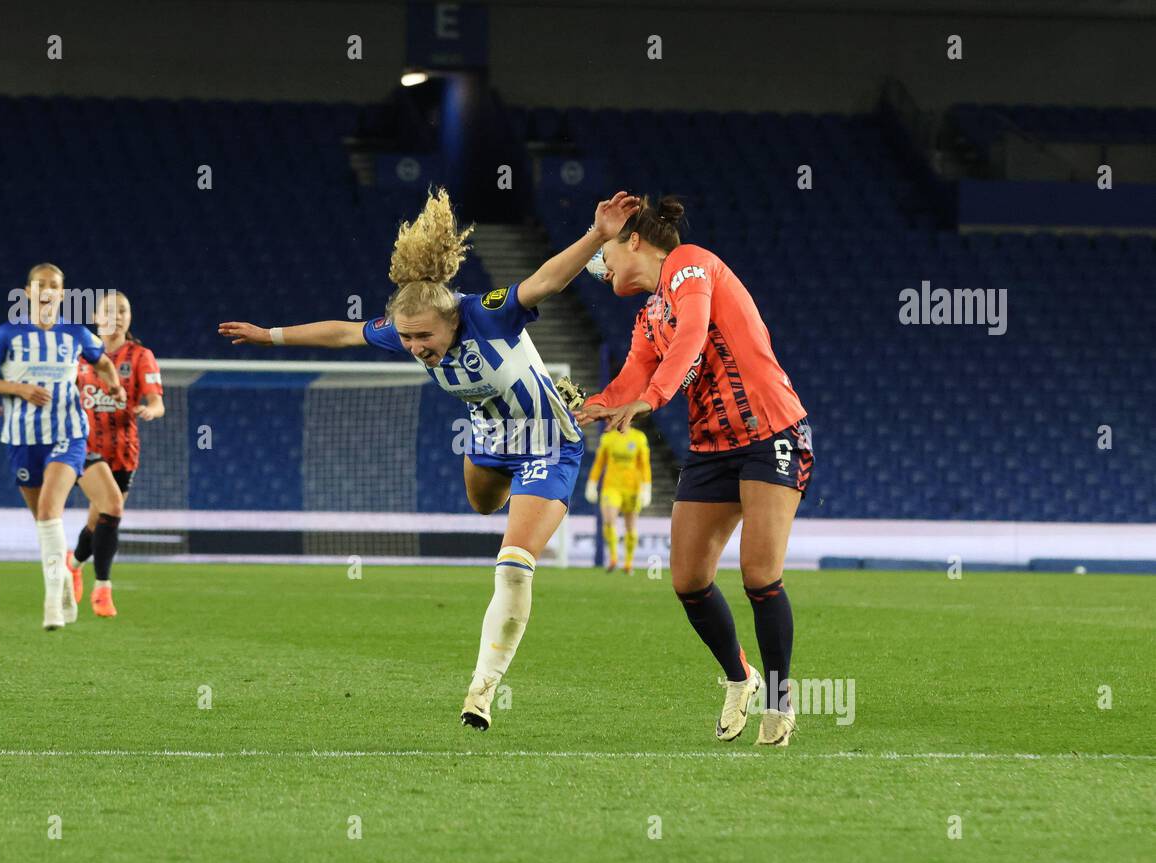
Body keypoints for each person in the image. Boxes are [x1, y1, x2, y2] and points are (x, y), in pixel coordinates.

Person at [219, 187, 638, 730]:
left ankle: (481, 692)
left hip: (547, 444)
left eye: (423, 337)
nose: (415, 347)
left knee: (512, 566)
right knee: (484, 508)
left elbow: (547, 281)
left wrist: (598, 236)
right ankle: (521, 493)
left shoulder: (488, 314)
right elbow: (344, 333)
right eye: (408, 338)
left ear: (451, 322)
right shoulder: (406, 332)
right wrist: (269, 335)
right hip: (488, 441)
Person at [578, 196, 813, 747]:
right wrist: (589, 404)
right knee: (687, 581)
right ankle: (741, 679)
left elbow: (691, 335)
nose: (600, 265)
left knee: (759, 574)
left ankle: (780, 702)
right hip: (713, 448)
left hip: (771, 433)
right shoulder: (647, 315)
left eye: (605, 251)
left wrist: (653, 398)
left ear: (634, 238)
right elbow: (629, 378)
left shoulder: (690, 263)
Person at [0, 263, 127, 630]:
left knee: (48, 509)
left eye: (54, 286)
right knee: (44, 519)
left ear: (61, 294)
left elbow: (103, 363)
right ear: (28, 292)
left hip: (68, 433)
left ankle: (52, 604)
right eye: (41, 284)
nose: (47, 290)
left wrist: (114, 385)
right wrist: (19, 389)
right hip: (23, 440)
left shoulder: (74, 333)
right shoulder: (6, 334)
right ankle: (65, 589)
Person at [69, 291, 165, 617]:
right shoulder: (79, 355)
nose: (117, 316)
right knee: (113, 507)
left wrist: (151, 409)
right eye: (109, 310)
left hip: (124, 451)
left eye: (123, 310)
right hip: (84, 447)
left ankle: (74, 563)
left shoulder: (140, 356)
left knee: (101, 517)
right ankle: (103, 590)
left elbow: (156, 400)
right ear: (96, 317)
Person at [584, 424, 651, 573]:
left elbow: (644, 465)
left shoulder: (639, 437)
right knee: (609, 520)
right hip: (611, 486)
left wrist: (647, 488)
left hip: (633, 488)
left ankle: (628, 562)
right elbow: (599, 463)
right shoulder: (607, 438)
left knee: (631, 525)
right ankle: (613, 558)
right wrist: (592, 483)